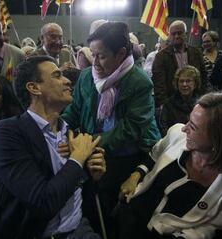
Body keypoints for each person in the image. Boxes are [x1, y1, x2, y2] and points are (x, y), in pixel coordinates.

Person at [0, 56, 106, 239]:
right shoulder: (6, 134)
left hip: (80, 230)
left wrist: (92, 175)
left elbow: (77, 197)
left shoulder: (69, 134)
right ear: (34, 88)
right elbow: (42, 203)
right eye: (57, 76)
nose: (67, 80)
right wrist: (78, 158)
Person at [62, 21, 161, 235]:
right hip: (94, 148)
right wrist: (60, 129)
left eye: (101, 56)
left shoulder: (140, 82)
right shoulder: (87, 76)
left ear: (121, 53)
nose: (94, 62)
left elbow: (131, 129)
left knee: (104, 198)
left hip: (130, 153)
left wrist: (88, 145)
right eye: (92, 54)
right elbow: (74, 110)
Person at [116, 92, 222, 239]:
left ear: (220, 139)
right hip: (130, 214)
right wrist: (135, 175)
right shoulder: (176, 133)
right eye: (188, 120)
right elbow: (154, 155)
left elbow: (211, 226)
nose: (184, 128)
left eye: (194, 127)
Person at [153, 20, 209, 107]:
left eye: (179, 33)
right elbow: (159, 85)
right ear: (169, 36)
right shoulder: (161, 56)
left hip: (196, 101)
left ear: (186, 34)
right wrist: (164, 105)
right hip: (172, 104)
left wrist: (202, 99)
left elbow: (204, 77)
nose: (176, 36)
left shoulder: (196, 53)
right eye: (173, 34)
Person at [158, 65, 201, 136]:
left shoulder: (201, 104)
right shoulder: (169, 104)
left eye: (188, 81)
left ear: (195, 84)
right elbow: (164, 129)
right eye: (181, 81)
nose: (184, 84)